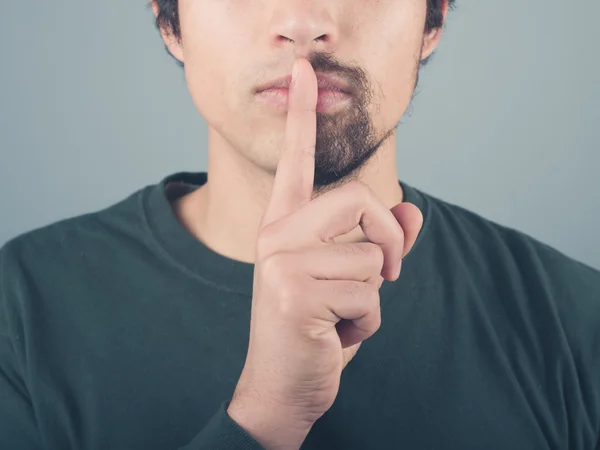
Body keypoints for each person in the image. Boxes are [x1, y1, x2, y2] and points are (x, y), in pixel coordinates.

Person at [1, 0, 598, 448]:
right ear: (169, 19)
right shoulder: (18, 312)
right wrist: (266, 414)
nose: (304, 20)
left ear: (432, 20)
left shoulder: (578, 320)